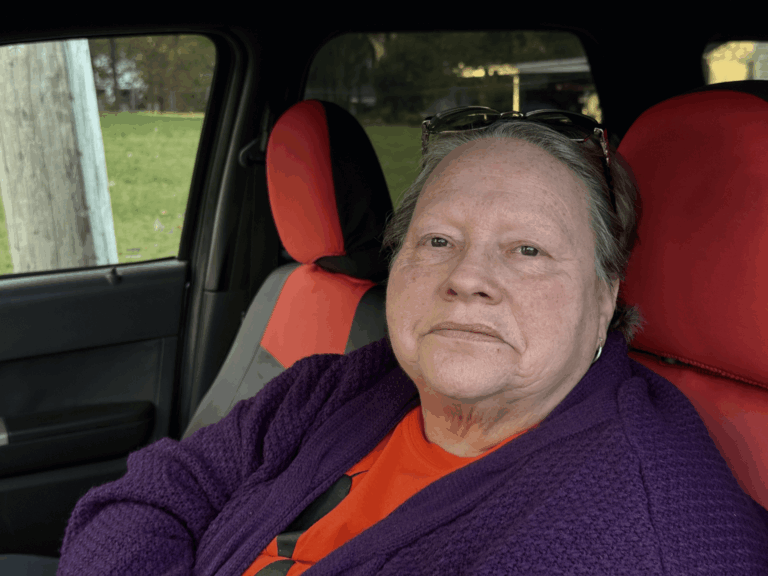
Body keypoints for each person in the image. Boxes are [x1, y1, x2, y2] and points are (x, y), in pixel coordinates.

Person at [57, 108, 768, 576]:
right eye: (438, 240)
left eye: (527, 250)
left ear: (605, 294)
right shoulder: (344, 384)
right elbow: (149, 494)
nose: (467, 278)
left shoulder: (633, 537)